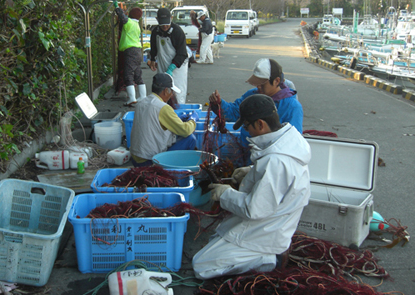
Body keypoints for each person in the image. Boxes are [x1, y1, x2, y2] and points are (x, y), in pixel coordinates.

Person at [192, 94, 311, 279]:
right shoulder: (288, 141)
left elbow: (254, 209)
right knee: (217, 236)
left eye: (247, 127)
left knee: (201, 266)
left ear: (261, 124)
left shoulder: (277, 162)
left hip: (266, 232)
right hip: (269, 221)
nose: (247, 132)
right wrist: (252, 170)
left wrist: (225, 194)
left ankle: (269, 260)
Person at [209, 58, 303, 152]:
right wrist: (219, 104)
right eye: (257, 83)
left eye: (262, 84)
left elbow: (293, 143)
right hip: (247, 153)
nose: (258, 87)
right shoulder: (252, 94)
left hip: (270, 155)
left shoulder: (292, 107)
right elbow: (234, 113)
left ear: (276, 81)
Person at [130, 73, 198, 167]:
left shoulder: (141, 103)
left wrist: (179, 120)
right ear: (166, 91)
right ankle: (177, 171)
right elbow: (185, 131)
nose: (171, 95)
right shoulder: (163, 108)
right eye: (171, 92)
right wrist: (193, 120)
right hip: (149, 161)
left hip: (135, 158)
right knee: (190, 139)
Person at [148, 8, 189, 104]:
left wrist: (171, 68)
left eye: (167, 23)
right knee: (162, 92)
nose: (165, 26)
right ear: (157, 20)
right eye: (162, 24)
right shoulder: (155, 32)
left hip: (178, 68)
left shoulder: (177, 32)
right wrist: (153, 59)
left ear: (171, 18)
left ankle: (178, 114)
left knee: (177, 93)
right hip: (163, 64)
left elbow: (182, 53)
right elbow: (154, 47)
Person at [114, 4, 146, 106]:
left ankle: (132, 98)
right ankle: (143, 96)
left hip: (130, 51)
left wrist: (117, 7)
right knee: (137, 75)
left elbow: (123, 18)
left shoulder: (130, 23)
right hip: (137, 51)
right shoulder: (137, 25)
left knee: (128, 75)